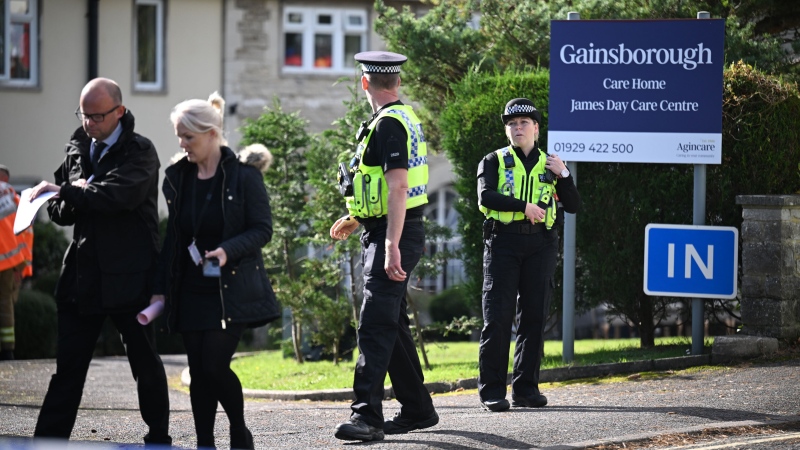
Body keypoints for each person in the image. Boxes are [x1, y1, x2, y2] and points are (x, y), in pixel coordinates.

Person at [28, 78, 171, 445]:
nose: (89, 123)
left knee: (144, 363)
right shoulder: (77, 147)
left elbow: (116, 196)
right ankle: (47, 441)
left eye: (97, 116)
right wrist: (62, 197)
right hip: (83, 276)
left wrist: (71, 192)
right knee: (68, 370)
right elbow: (60, 210)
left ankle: (158, 436)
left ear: (119, 112)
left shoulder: (141, 151)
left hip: (130, 275)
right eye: (84, 115)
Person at [151, 92, 280, 449]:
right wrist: (160, 288)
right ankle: (205, 443)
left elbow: (262, 229)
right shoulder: (178, 177)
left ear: (211, 134)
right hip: (190, 287)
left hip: (231, 288)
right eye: (179, 137)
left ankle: (239, 431)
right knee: (199, 373)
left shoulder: (244, 177)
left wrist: (227, 250)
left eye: (188, 137)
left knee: (213, 366)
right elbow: (174, 239)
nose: (182, 144)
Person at [329, 51, 438, 442]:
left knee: (374, 323)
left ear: (364, 83)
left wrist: (391, 243)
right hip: (387, 229)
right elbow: (383, 188)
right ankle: (418, 408)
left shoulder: (389, 124)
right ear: (397, 82)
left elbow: (399, 187)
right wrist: (358, 217)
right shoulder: (398, 118)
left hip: (395, 235)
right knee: (390, 323)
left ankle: (367, 417)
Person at [476, 98, 581, 412]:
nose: (517, 128)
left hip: (541, 246)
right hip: (503, 243)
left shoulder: (550, 163)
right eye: (511, 124)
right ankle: (492, 391)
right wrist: (523, 208)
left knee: (534, 317)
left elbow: (573, 205)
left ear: (536, 128)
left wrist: (565, 175)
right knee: (497, 318)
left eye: (523, 123)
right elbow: (485, 197)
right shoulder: (493, 160)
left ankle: (526, 389)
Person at [0, 164, 28, 361]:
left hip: (9, 261)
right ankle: (8, 350)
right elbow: (25, 233)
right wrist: (22, 264)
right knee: (5, 304)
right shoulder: (14, 198)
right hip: (9, 262)